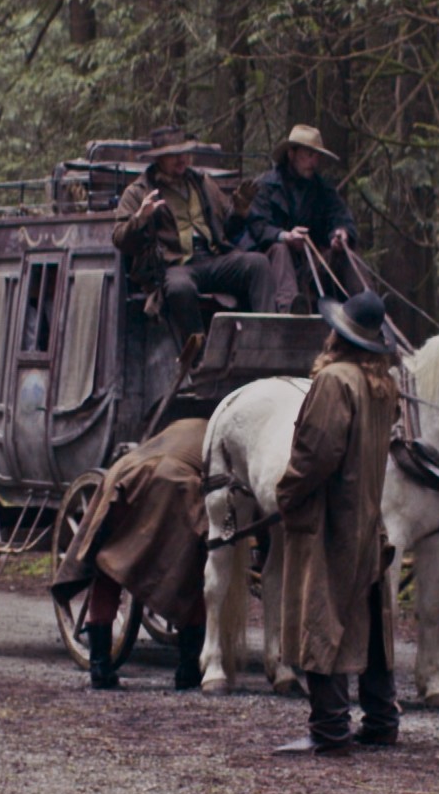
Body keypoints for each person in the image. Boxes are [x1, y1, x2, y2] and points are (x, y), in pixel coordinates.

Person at [267, 292, 405, 755]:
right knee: (369, 614)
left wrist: (288, 494)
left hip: (331, 518)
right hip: (367, 516)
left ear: (340, 335)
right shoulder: (382, 385)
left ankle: (329, 727)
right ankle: (381, 719)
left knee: (321, 614)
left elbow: (316, 452)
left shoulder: (335, 381)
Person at [47, 416, 212, 691]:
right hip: (173, 480)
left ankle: (100, 665)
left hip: (123, 472)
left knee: (108, 563)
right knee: (191, 564)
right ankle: (188, 668)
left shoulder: (180, 426)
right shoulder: (216, 431)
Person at [110, 126, 279, 337]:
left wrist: (240, 211)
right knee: (180, 287)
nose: (181, 159)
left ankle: (267, 338)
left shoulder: (203, 183)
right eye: (173, 155)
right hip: (175, 265)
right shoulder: (139, 191)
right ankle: (197, 347)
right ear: (159, 158)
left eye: (184, 153)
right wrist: (141, 218)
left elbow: (227, 228)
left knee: (258, 264)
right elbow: (120, 239)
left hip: (213, 258)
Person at [231, 124, 356, 308]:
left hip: (312, 266)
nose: (313, 162)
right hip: (272, 264)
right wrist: (286, 236)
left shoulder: (323, 189)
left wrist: (340, 233)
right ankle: (289, 309)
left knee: (345, 253)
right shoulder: (265, 186)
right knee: (280, 249)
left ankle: (370, 308)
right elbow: (258, 226)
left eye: (317, 156)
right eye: (308, 155)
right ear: (291, 154)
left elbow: (339, 216)